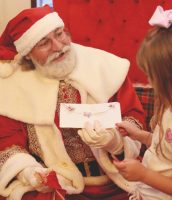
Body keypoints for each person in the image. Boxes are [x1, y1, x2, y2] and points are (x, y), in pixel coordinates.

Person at [0, 5, 145, 200]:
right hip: (56, 187)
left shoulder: (105, 66)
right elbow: (8, 143)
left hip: (116, 180)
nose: (59, 46)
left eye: (59, 34)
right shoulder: (13, 87)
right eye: (44, 43)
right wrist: (30, 173)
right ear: (28, 55)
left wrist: (116, 141)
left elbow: (134, 118)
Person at [113, 3, 172, 200]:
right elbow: (169, 148)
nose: (149, 81)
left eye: (151, 75)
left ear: (170, 77)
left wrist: (144, 175)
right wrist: (141, 136)